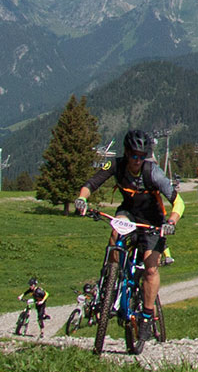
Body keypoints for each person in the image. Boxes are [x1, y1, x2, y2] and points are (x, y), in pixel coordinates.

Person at [73, 129, 184, 331]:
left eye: (142, 156)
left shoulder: (153, 173)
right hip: (129, 213)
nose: (137, 160)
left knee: (150, 269)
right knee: (116, 233)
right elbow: (92, 183)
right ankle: (110, 278)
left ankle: (147, 317)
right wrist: (82, 199)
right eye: (134, 155)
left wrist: (171, 222)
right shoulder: (116, 165)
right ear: (126, 152)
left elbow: (179, 202)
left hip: (153, 221)